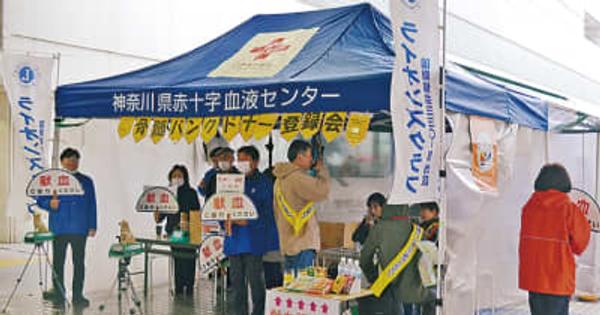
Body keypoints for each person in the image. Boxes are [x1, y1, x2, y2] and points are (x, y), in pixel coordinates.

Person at [519, 163, 591, 315]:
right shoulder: (568, 209)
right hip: (558, 280)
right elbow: (580, 243)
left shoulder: (529, 208)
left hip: (534, 279)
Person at [36, 148, 97, 307]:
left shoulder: (86, 181)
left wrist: (92, 225)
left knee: (79, 263)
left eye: (75, 159)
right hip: (59, 228)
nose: (72, 162)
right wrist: (49, 203)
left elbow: (92, 205)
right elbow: (40, 199)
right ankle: (58, 293)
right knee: (58, 263)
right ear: (62, 161)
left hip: (80, 228)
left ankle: (78, 295)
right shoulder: (52, 180)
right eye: (69, 159)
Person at [224, 146, 279, 315]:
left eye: (244, 159)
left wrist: (248, 221)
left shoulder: (264, 183)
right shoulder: (231, 182)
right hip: (234, 241)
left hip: (253, 242)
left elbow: (268, 214)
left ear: (255, 162)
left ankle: (258, 312)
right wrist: (224, 222)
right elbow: (221, 205)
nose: (240, 163)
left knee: (256, 283)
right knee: (236, 284)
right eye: (238, 159)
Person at [360, 204, 434, 315]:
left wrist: (374, 277)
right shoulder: (417, 230)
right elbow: (427, 261)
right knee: (433, 298)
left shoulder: (379, 229)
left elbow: (364, 259)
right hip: (417, 293)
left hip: (390, 292)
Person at [273, 139, 330, 272]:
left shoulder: (280, 177)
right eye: (309, 156)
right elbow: (322, 190)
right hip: (302, 241)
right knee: (303, 287)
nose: (311, 160)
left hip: (288, 240)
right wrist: (322, 171)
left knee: (291, 287)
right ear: (300, 157)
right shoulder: (297, 177)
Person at [154, 165, 200, 296]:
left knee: (189, 259)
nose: (177, 178)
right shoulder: (167, 194)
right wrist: (156, 211)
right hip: (173, 233)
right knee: (178, 259)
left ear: (185, 177)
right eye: (174, 176)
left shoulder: (191, 193)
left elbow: (196, 213)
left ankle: (189, 286)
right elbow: (160, 218)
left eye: (179, 175)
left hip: (189, 233)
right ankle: (179, 287)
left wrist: (191, 227)